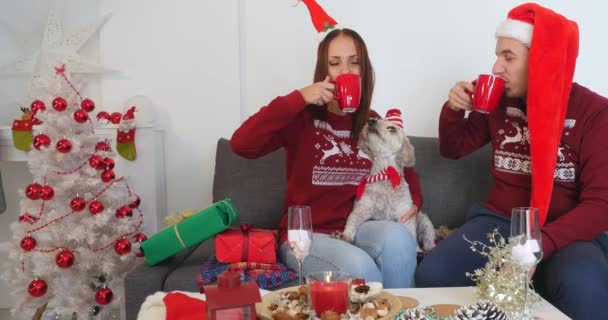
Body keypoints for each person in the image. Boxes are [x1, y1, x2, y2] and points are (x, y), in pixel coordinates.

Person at [415, 3, 608, 319]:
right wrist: (454, 109)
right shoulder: (500, 101)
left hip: (564, 231)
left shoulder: (595, 113)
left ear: (542, 60)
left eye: (508, 57)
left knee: (584, 285)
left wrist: (537, 248)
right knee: (433, 274)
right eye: (497, 55)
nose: (496, 67)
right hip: (499, 224)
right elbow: (453, 149)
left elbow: (602, 204)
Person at [230, 28, 421, 288]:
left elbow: (401, 166)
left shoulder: (371, 122)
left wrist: (415, 203)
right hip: (306, 236)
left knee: (399, 239)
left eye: (354, 62)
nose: (345, 71)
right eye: (335, 63)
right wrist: (298, 98)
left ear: (364, 71)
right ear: (324, 71)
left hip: (357, 228)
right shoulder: (301, 116)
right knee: (359, 266)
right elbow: (242, 145)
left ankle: (404, 314)